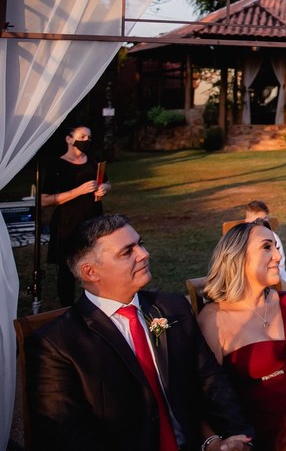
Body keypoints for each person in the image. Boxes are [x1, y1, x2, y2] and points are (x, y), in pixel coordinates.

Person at [27, 214, 253, 451]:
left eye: (140, 243)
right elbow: (67, 434)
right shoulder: (56, 345)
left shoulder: (173, 308)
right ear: (90, 272)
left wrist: (237, 438)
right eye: (127, 252)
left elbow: (211, 381)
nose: (144, 254)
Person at [199, 221, 286, 449]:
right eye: (266, 247)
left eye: (276, 247)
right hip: (263, 439)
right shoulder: (214, 320)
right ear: (238, 258)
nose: (278, 257)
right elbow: (200, 398)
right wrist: (214, 443)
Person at [42, 125, 111, 306]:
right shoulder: (57, 165)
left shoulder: (93, 161)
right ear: (69, 139)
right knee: (68, 268)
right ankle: (67, 308)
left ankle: (96, 302)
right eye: (82, 136)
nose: (86, 141)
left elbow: (106, 182)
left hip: (94, 219)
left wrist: (104, 188)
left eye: (89, 137)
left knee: (95, 262)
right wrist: (78, 191)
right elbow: (44, 200)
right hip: (68, 221)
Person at [243, 200, 286, 287]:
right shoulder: (242, 241)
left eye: (265, 219)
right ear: (247, 222)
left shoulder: (273, 237)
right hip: (250, 283)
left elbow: (281, 265)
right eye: (257, 220)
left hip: (276, 278)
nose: (262, 223)